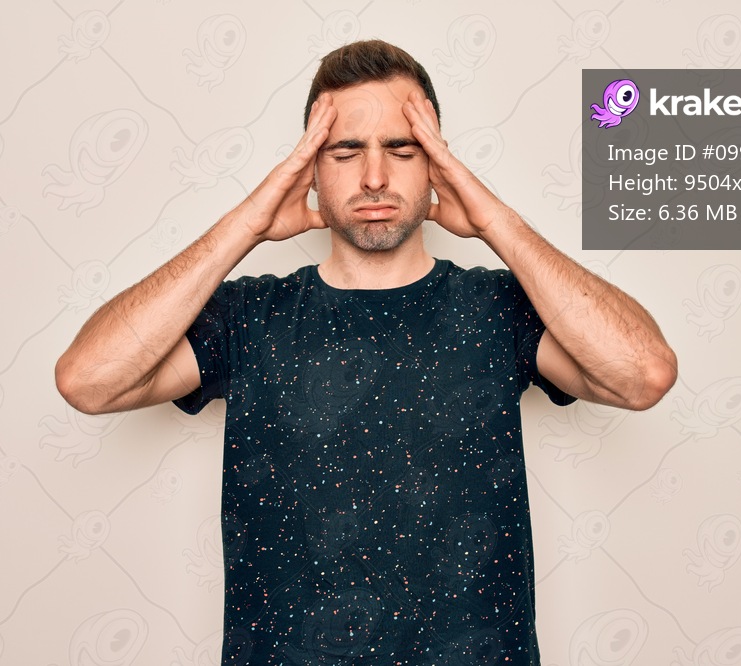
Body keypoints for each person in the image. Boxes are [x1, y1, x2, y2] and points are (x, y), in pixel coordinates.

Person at [56, 39, 676, 665]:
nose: (374, 176)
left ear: (435, 165)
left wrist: (495, 221)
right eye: (345, 151)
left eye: (403, 150)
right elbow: (89, 381)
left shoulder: (495, 308)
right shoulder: (251, 317)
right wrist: (246, 223)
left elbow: (642, 375)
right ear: (312, 173)